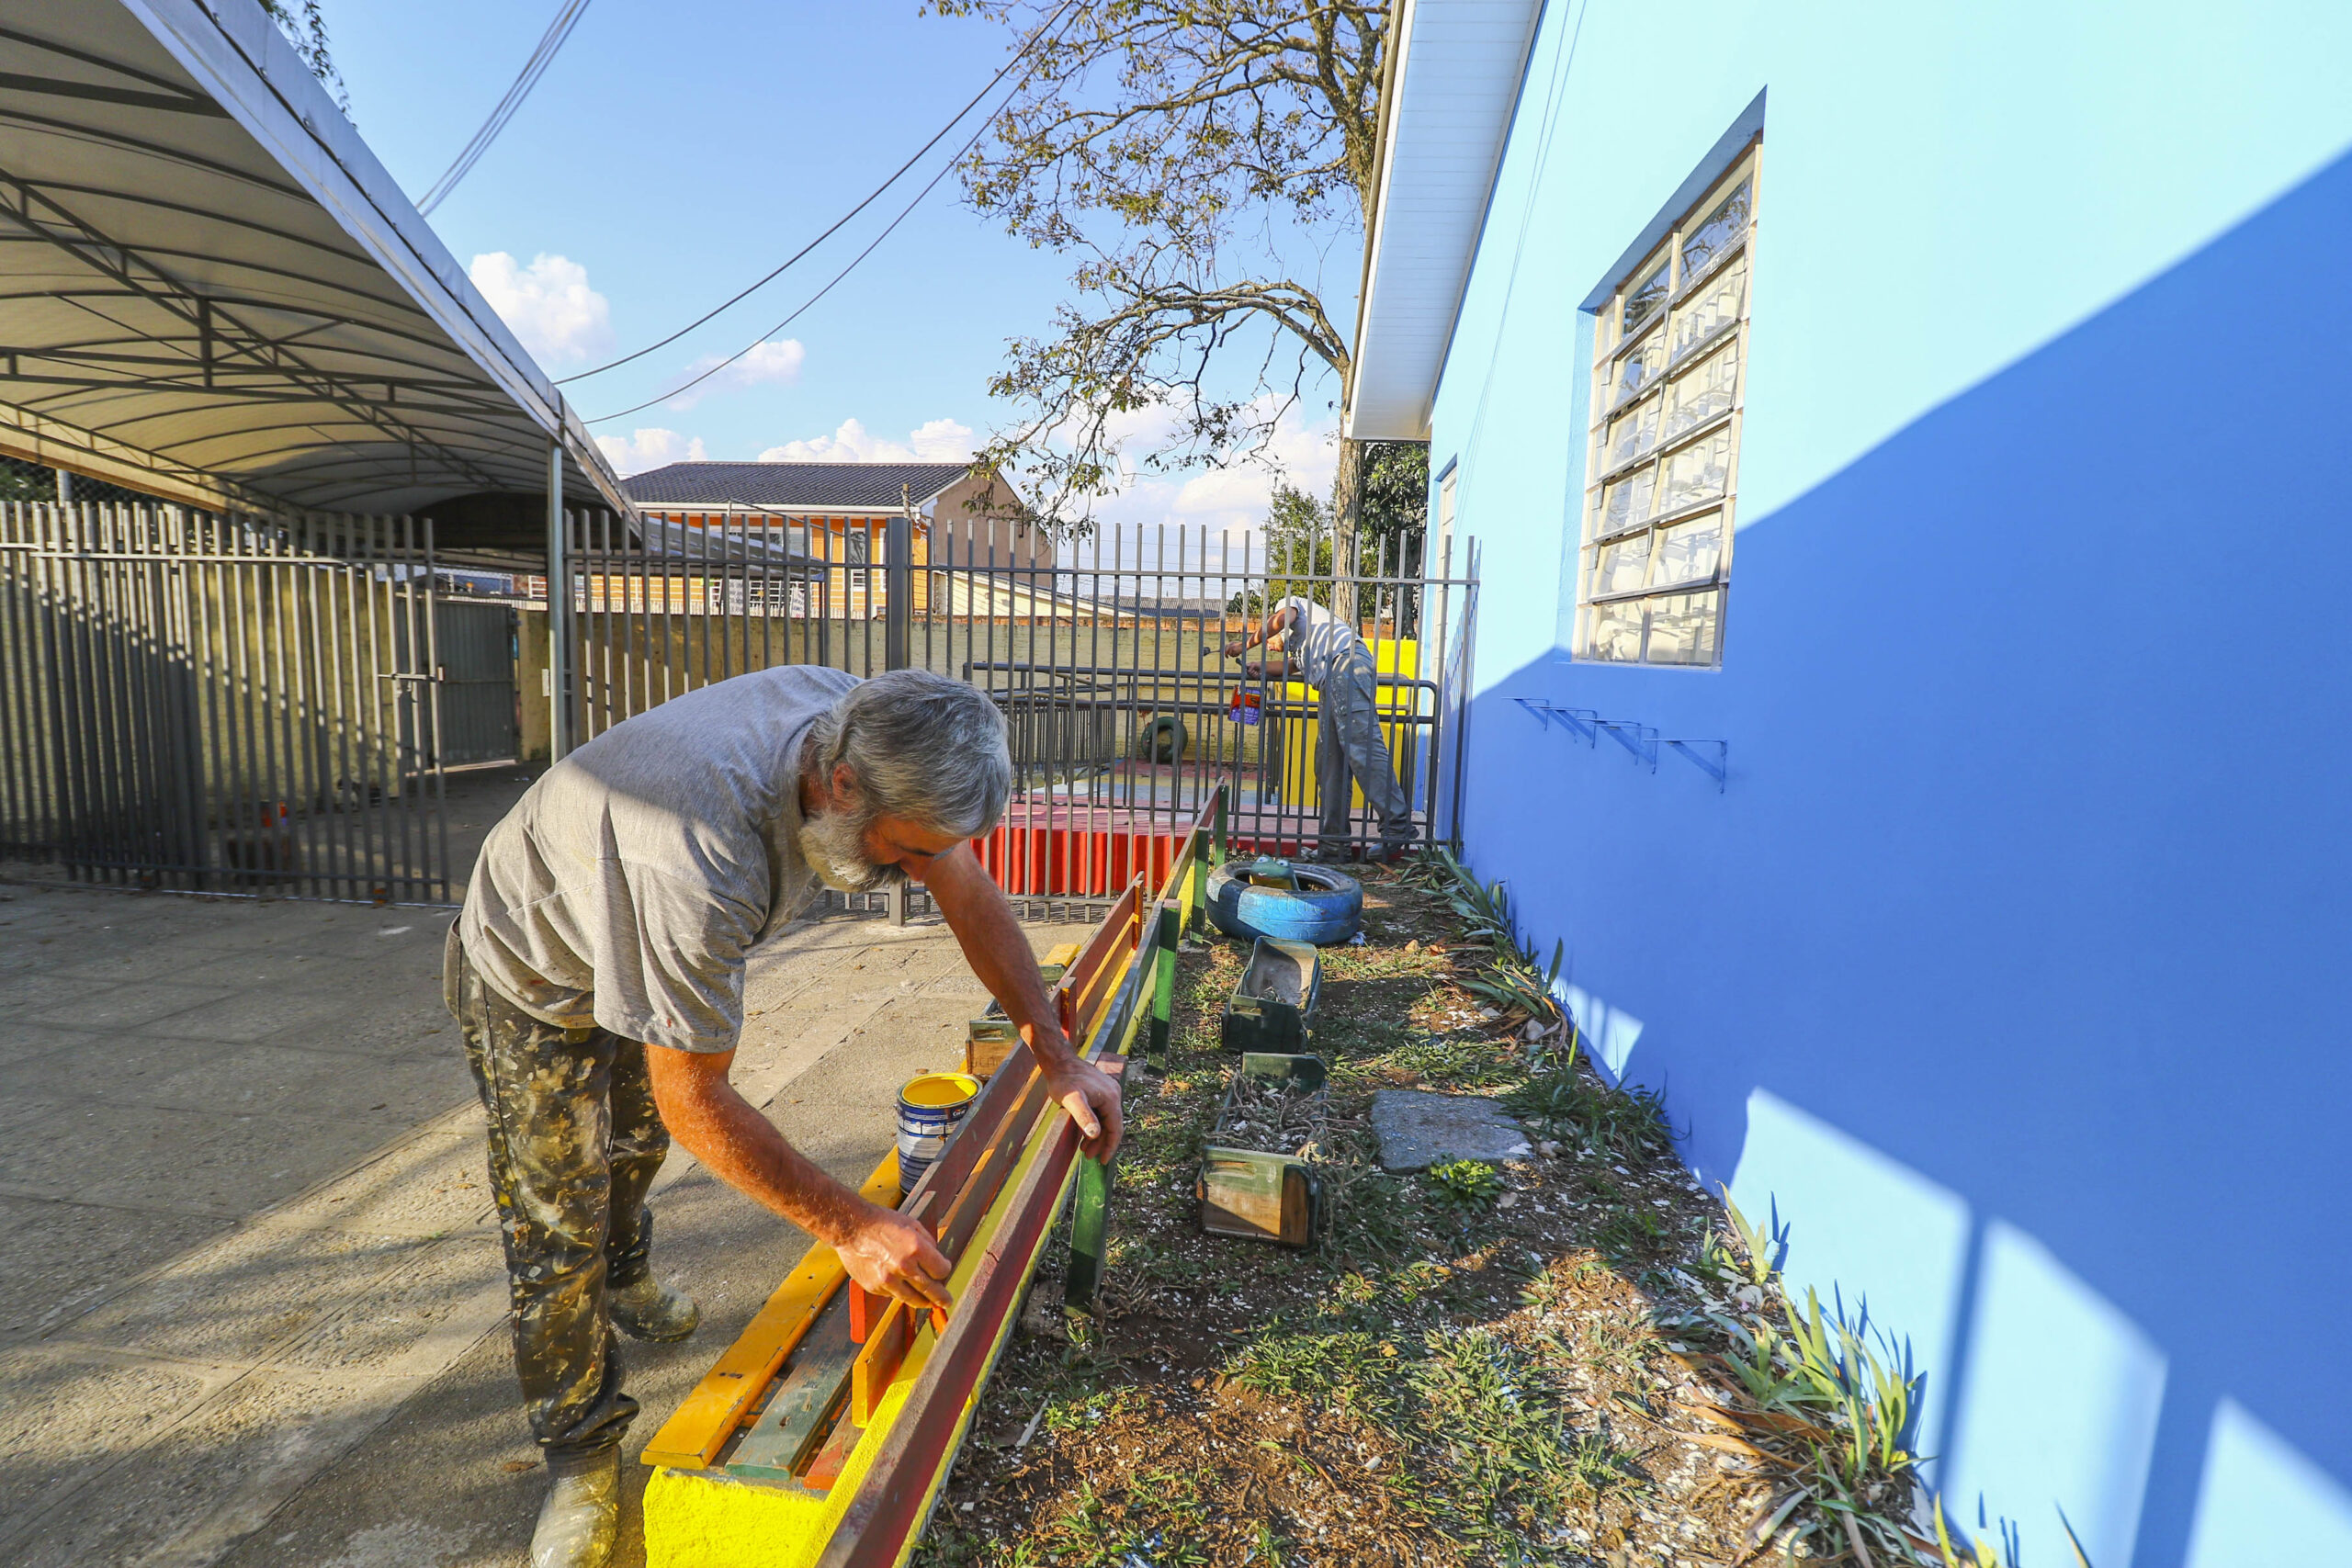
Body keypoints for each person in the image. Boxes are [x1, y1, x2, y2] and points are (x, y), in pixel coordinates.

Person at [444, 667, 1123, 1568]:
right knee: (557, 1209)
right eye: (903, 853)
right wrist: (851, 1225)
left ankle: (628, 1272)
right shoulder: (697, 849)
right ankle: (579, 1454)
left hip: (633, 910)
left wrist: (1057, 1055)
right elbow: (697, 1099)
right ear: (840, 786)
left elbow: (960, 883)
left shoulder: (868, 726)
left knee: (636, 1145)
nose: (915, 874)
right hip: (533, 969)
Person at [1225, 594, 1417, 861]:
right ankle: (1333, 847)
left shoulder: (1290, 604)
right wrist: (1262, 667)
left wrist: (1244, 645)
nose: (1270, 644)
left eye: (1269, 640)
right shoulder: (1306, 645)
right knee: (1329, 764)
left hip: (1345, 664)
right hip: (1330, 679)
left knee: (1361, 747)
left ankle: (1397, 827)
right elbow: (1292, 667)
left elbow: (1281, 620)